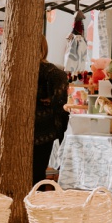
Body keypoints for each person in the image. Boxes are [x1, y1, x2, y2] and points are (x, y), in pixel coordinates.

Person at [33, 36, 69, 186]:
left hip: (26, 127)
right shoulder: (53, 73)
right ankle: (35, 202)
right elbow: (61, 102)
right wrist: (54, 100)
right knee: (38, 170)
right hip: (44, 128)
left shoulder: (21, 72)